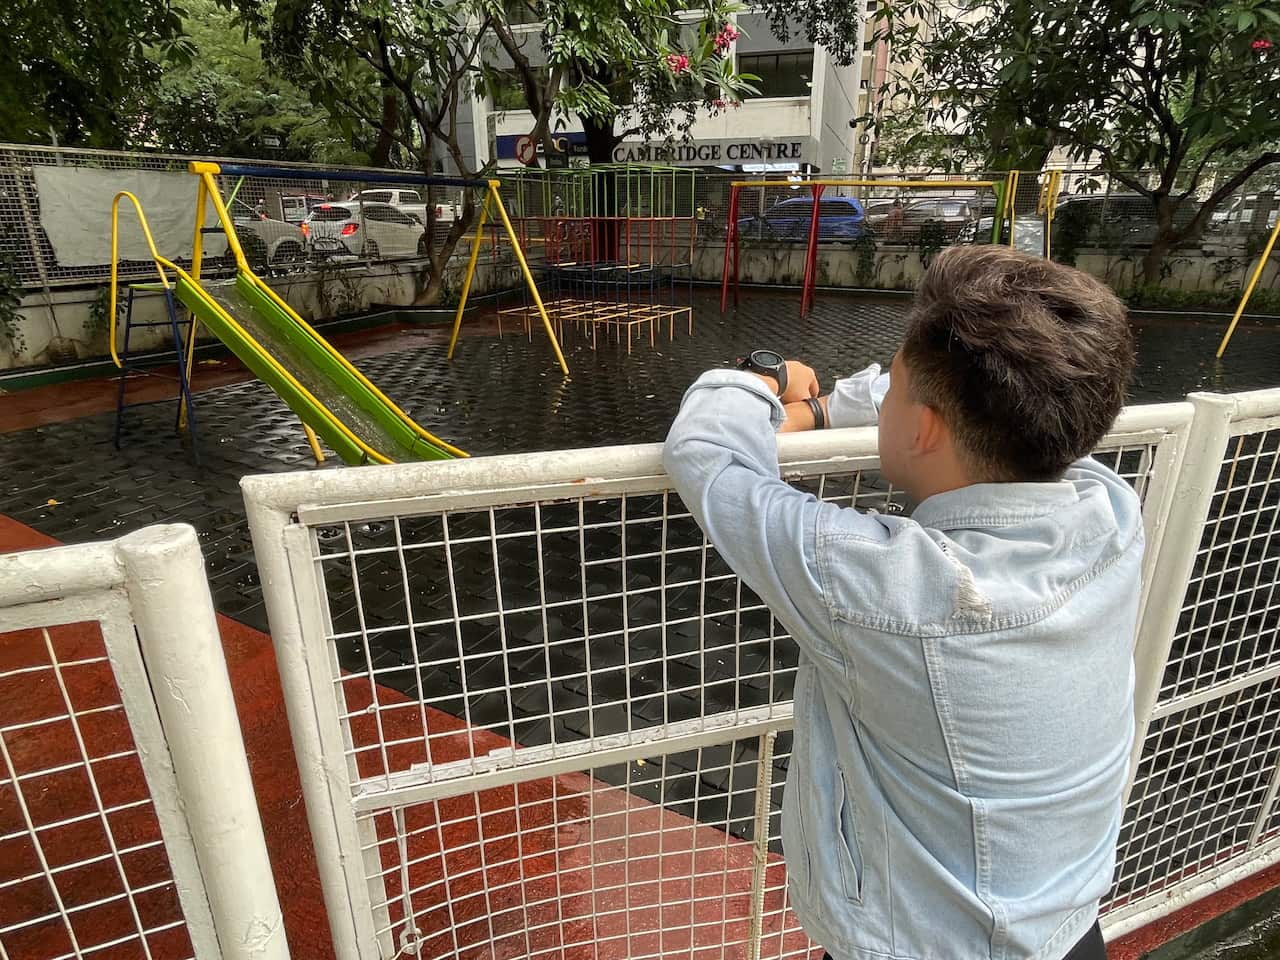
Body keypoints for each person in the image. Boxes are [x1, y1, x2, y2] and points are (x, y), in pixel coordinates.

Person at [663, 245, 1139, 960]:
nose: (881, 396)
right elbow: (1014, 407)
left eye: (892, 390)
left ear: (921, 428)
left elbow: (708, 454)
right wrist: (823, 409)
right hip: (1068, 932)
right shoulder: (1110, 513)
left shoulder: (884, 587)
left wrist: (763, 379)